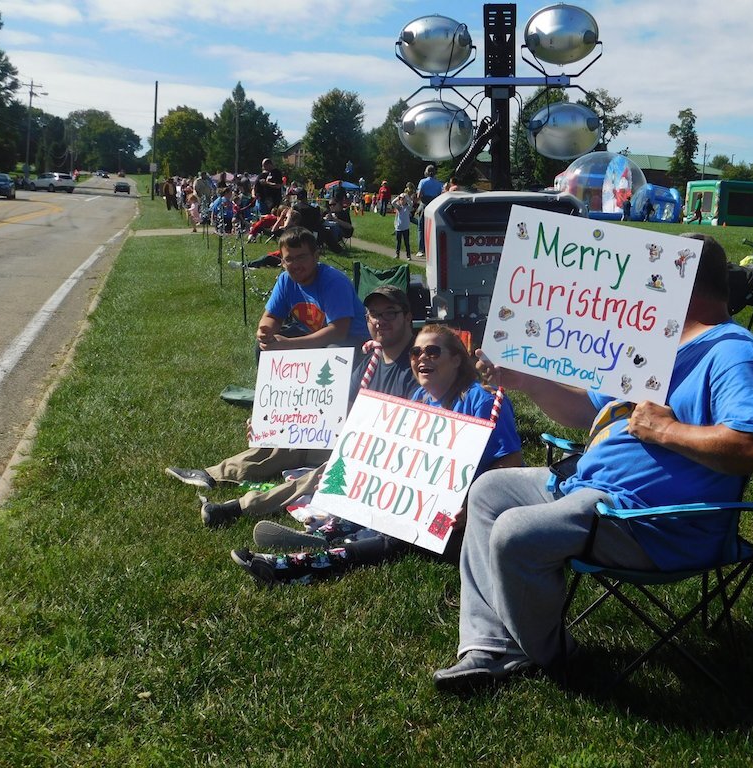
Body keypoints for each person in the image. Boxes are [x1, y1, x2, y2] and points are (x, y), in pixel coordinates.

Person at [430, 233, 753, 691]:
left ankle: (554, 656)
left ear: (681, 282)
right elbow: (584, 411)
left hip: (652, 521)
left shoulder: (734, 353)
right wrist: (526, 379)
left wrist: (667, 432)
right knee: (489, 492)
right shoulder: (650, 346)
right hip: (591, 492)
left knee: (516, 533)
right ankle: (490, 644)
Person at [231, 323, 524, 585]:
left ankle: (292, 565)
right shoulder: (420, 400)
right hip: (425, 502)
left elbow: (511, 465)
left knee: (395, 537)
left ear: (457, 359)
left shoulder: (481, 400)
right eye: (416, 353)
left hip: (467, 520)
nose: (422, 358)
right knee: (377, 510)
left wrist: (472, 505)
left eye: (433, 352)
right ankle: (323, 537)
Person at [168, 286, 419, 526]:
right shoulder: (371, 360)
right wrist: (273, 425)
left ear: (408, 317)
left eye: (390, 313)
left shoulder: (418, 367)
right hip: (357, 441)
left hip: (386, 459)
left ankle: (240, 507)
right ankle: (213, 474)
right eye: (374, 314)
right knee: (291, 440)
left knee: (328, 474)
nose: (380, 320)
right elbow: (340, 411)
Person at [415, 164, 443, 258]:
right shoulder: (439, 183)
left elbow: (419, 195)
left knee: (421, 228)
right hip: (434, 206)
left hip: (424, 205)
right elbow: (440, 195)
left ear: (426, 172)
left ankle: (421, 250)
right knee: (433, 228)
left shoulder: (422, 182)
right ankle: (433, 249)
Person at [392, 192, 413, 260]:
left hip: (406, 228)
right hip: (399, 228)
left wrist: (407, 197)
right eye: (401, 199)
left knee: (406, 242)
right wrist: (398, 197)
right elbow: (393, 202)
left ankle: (408, 255)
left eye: (404, 199)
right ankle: (397, 254)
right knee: (398, 242)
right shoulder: (399, 208)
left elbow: (411, 203)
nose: (402, 201)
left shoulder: (408, 208)